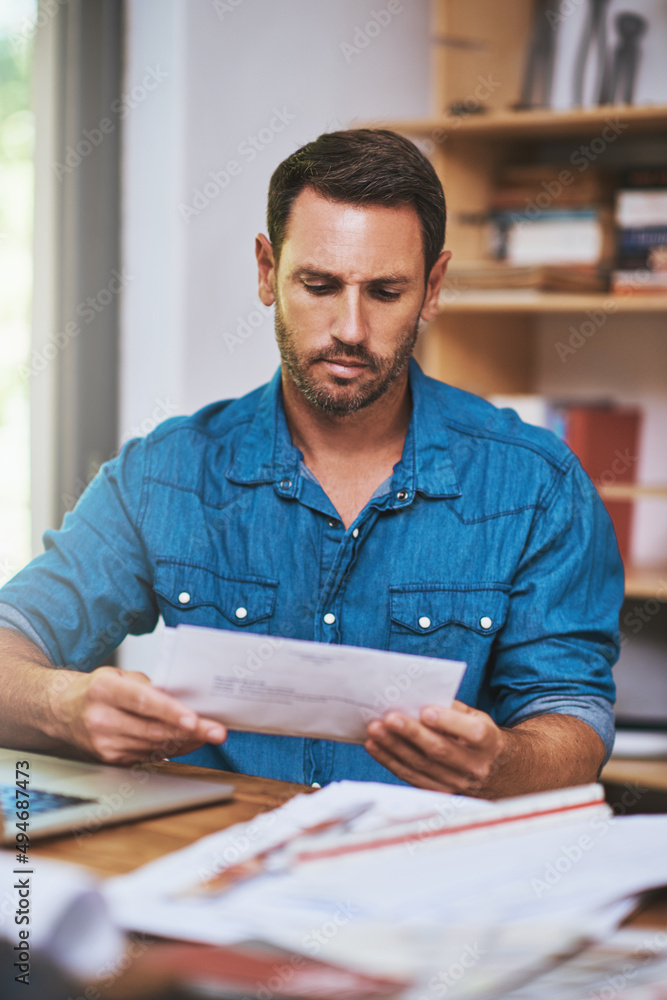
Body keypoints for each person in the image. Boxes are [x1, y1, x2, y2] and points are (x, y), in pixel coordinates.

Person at [0, 129, 623, 796]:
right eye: (320, 285)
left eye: (385, 292)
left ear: (433, 287)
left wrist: (500, 762)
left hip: (425, 876)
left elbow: (574, 723)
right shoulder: (164, 474)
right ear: (267, 271)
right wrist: (66, 707)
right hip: (212, 874)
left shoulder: (536, 484)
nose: (349, 329)